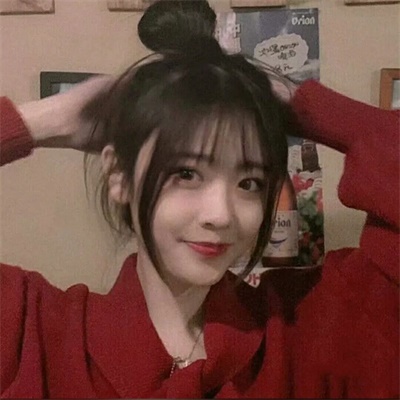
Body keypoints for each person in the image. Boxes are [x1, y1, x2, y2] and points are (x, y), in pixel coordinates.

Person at [0, 1, 398, 398]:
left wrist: (292, 103)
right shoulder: (33, 336)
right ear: (119, 175)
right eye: (187, 174)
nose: (220, 214)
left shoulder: (313, 328)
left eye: (249, 182)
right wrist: (49, 118)